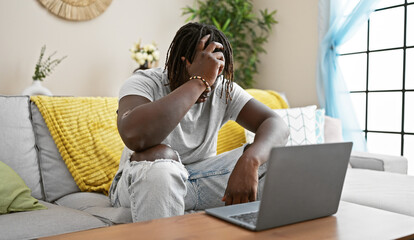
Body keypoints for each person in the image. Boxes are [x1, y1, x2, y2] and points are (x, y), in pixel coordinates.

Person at [109, 22, 289, 222]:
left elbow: (275, 123)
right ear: (182, 62)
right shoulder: (144, 82)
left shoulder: (221, 87)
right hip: (145, 180)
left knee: (274, 159)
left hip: (202, 179)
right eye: (206, 70)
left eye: (217, 69)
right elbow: (135, 137)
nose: (212, 82)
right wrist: (198, 82)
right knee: (161, 159)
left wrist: (250, 161)